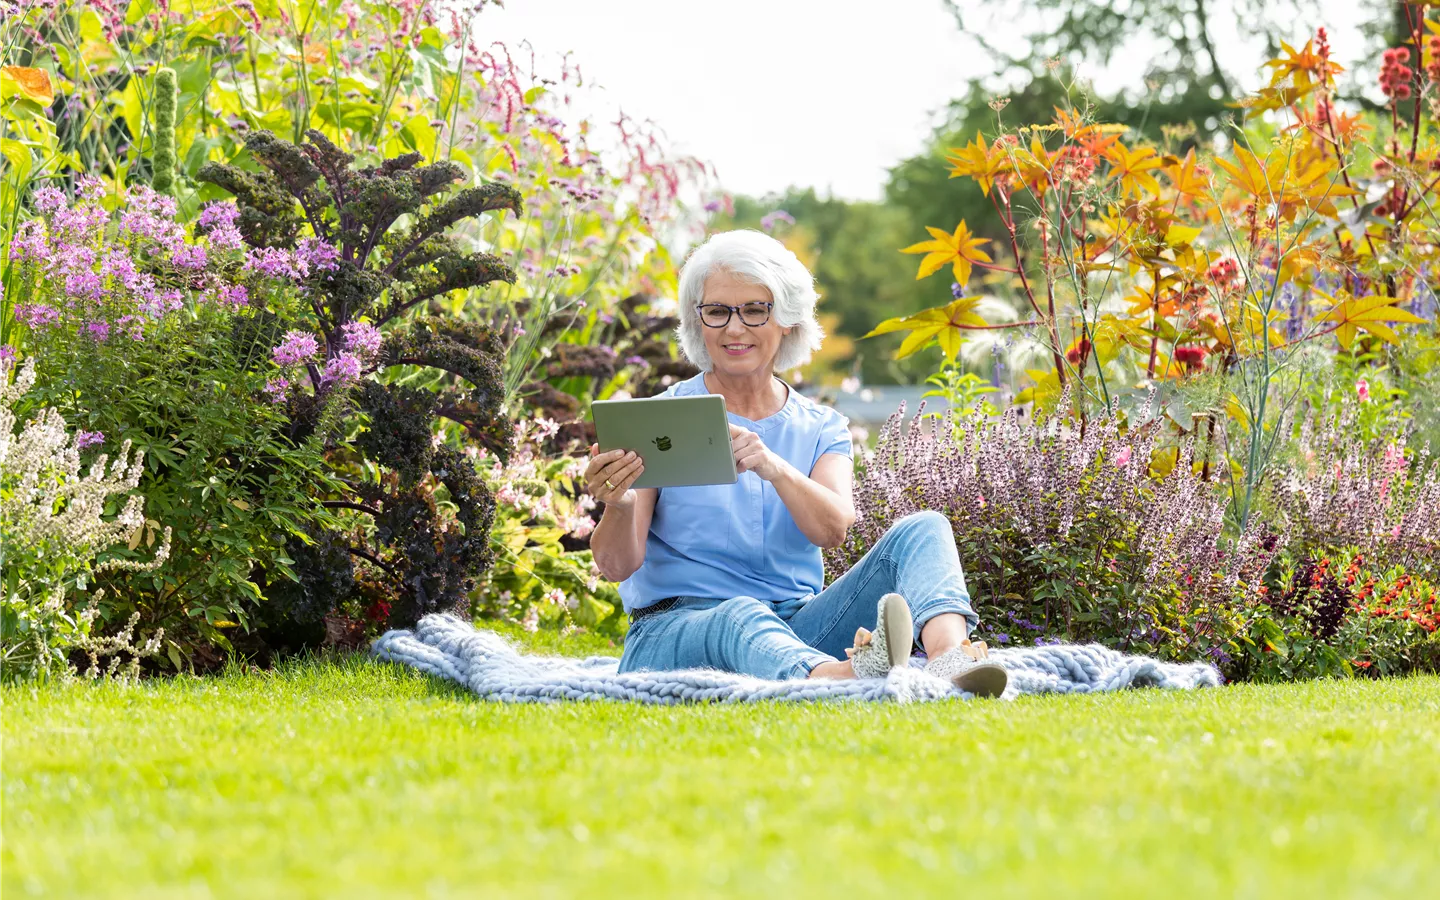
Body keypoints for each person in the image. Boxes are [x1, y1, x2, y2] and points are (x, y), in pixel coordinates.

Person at [584, 230, 1007, 696]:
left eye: (754, 310)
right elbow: (616, 565)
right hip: (673, 633)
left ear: (786, 318)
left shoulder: (822, 426)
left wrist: (774, 467)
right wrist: (619, 506)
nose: (734, 328)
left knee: (926, 527)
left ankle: (949, 657)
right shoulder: (658, 420)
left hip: (793, 628)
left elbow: (832, 529)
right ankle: (836, 680)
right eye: (718, 311)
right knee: (739, 613)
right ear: (698, 321)